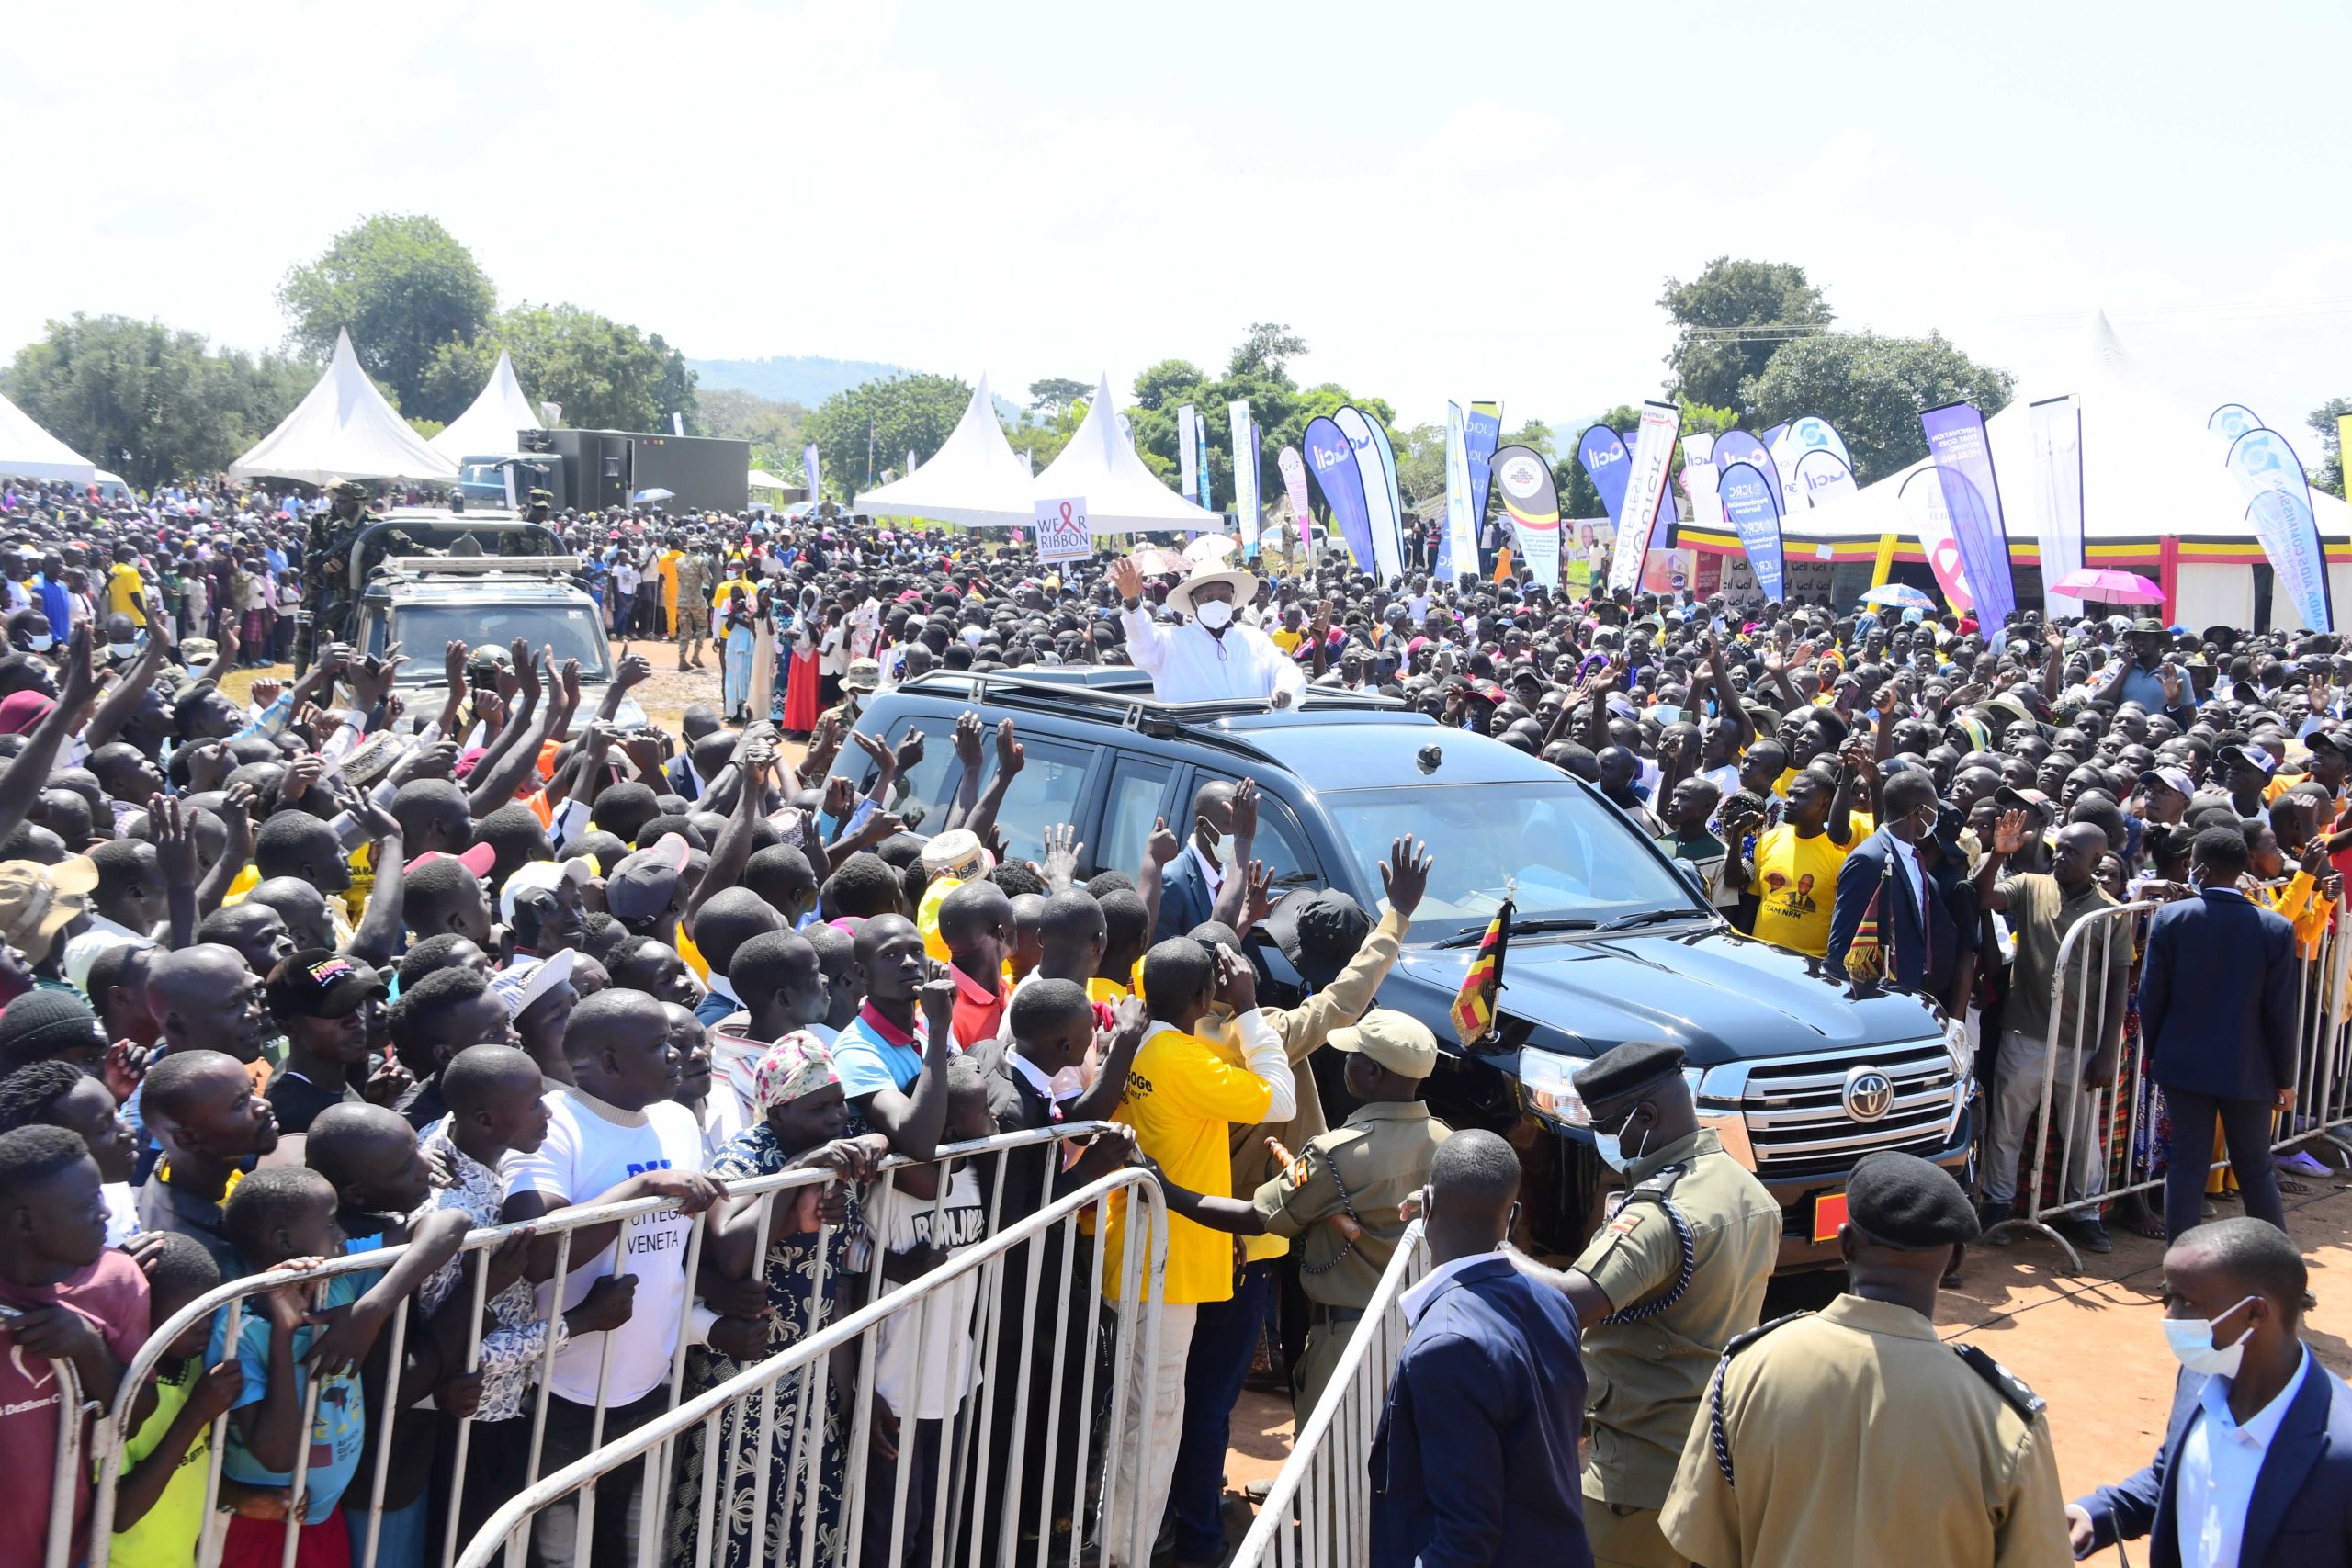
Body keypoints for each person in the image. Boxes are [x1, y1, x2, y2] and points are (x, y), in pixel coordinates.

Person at [1658, 1151, 2071, 1568]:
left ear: (1844, 1244)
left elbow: (1701, 1551)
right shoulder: (2004, 1423)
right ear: (1956, 1260)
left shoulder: (1745, 1372)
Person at [1511, 1041, 1779, 1568]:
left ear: (1648, 1116)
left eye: (1608, 1128)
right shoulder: (1746, 1190)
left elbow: (1569, 1303)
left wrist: (1491, 1242)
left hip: (1636, 1478)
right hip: (1709, 1454)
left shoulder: (1660, 1215)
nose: (1604, 1142)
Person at [2068, 1217, 2352, 1566]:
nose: (2171, 1315)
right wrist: (2098, 1514)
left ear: (2254, 1312)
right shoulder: (2197, 1376)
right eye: (2167, 1298)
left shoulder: (2341, 1449)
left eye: (2186, 1302)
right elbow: (2175, 1474)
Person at [1369, 1129, 1591, 1568]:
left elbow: (1464, 1539)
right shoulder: (1553, 1305)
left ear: (1427, 1205)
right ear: (1514, 1219)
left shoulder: (1446, 1346)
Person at [1974, 811, 2132, 1254]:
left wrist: (2106, 1050)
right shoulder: (2030, 884)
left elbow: (2118, 982)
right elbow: (1983, 898)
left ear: (2097, 859)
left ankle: (2086, 1213)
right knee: (2008, 1124)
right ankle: (1998, 1205)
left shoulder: (2111, 912)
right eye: (2059, 848)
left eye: (2073, 853)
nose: (2061, 857)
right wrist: (1995, 857)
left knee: (2080, 1131)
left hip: (2080, 1040)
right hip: (2024, 1030)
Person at [2141, 824, 2302, 1241]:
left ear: (2201, 869)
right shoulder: (2274, 928)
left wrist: (2160, 1052)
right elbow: (2281, 1012)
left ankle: (2178, 1272)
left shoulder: (2172, 919)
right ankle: (2281, 1272)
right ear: (2242, 867)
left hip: (2184, 1065)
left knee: (2186, 1164)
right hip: (2250, 1069)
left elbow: (2151, 997)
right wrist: (2285, 1078)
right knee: (2254, 1165)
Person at [1110, 556, 1306, 706]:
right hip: (1198, 751)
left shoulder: (1255, 639)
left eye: (1223, 597)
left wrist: (1285, 690)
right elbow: (1141, 642)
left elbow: (1287, 671)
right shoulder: (1170, 642)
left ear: (1233, 597)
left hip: (1253, 745)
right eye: (1208, 598)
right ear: (1193, 601)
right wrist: (1133, 602)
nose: (1217, 603)